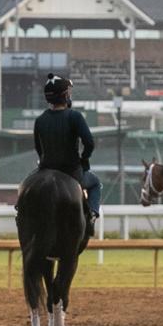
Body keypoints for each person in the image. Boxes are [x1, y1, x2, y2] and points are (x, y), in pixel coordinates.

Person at [32, 74, 102, 237]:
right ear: (64, 95)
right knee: (96, 183)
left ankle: (20, 211)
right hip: (72, 172)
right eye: (68, 92)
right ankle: (91, 216)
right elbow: (89, 143)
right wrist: (83, 159)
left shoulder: (40, 120)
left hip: (45, 170)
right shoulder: (75, 117)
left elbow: (38, 149)